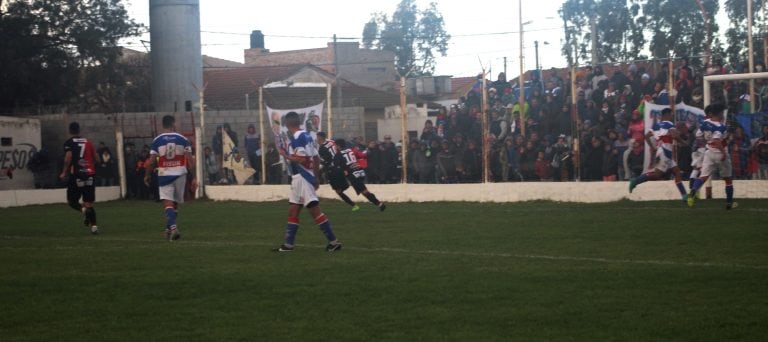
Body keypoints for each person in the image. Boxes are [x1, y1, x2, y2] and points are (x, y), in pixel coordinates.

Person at [273, 112, 342, 252]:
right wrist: (316, 177)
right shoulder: (307, 136)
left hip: (303, 178)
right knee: (293, 211)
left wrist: (285, 155)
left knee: (315, 211)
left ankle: (334, 242)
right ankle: (288, 245)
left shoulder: (297, 138)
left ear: (287, 124)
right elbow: (316, 158)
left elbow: (301, 159)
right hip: (301, 178)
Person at [144, 115, 195, 241]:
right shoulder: (183, 139)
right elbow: (190, 160)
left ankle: (173, 228)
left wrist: (147, 175)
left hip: (165, 174)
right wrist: (193, 177)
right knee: (175, 204)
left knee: (167, 203)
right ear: (173, 125)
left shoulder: (157, 140)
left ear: (163, 125)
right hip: (180, 174)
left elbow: (151, 162)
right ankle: (168, 230)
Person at [628, 108, 688, 201]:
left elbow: (646, 136)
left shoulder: (656, 125)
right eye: (671, 115)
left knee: (677, 171)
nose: (672, 117)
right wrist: (683, 142)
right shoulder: (669, 124)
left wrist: (653, 147)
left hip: (663, 151)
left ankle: (684, 196)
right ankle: (636, 180)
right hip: (665, 151)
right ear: (667, 115)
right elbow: (674, 135)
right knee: (657, 175)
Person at [687, 103, 737, 209]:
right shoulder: (720, 126)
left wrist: (708, 142)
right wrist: (723, 153)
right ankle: (729, 203)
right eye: (722, 112)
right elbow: (717, 140)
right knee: (728, 179)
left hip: (709, 152)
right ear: (719, 113)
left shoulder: (704, 122)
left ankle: (692, 193)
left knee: (703, 177)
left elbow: (698, 135)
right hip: (720, 153)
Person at [59, 122, 99, 234]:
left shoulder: (69, 143)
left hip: (76, 174)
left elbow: (68, 157)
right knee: (89, 203)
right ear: (79, 130)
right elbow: (97, 158)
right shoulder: (88, 142)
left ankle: (84, 210)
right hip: (90, 174)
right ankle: (94, 227)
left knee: (72, 201)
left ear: (70, 131)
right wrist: (90, 166)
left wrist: (64, 172)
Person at [333, 138, 387, 211]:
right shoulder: (351, 150)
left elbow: (337, 168)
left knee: (364, 192)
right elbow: (362, 155)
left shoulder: (338, 155)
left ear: (338, 146)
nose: (334, 147)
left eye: (335, 146)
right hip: (360, 171)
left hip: (352, 174)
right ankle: (378, 204)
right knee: (363, 191)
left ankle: (379, 204)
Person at [316, 132, 358, 211]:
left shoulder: (321, 148)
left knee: (338, 191)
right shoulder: (331, 141)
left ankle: (354, 205)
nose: (316, 140)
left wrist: (321, 164)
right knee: (339, 187)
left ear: (319, 138)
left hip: (333, 169)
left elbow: (327, 161)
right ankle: (345, 186)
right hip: (341, 164)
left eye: (317, 138)